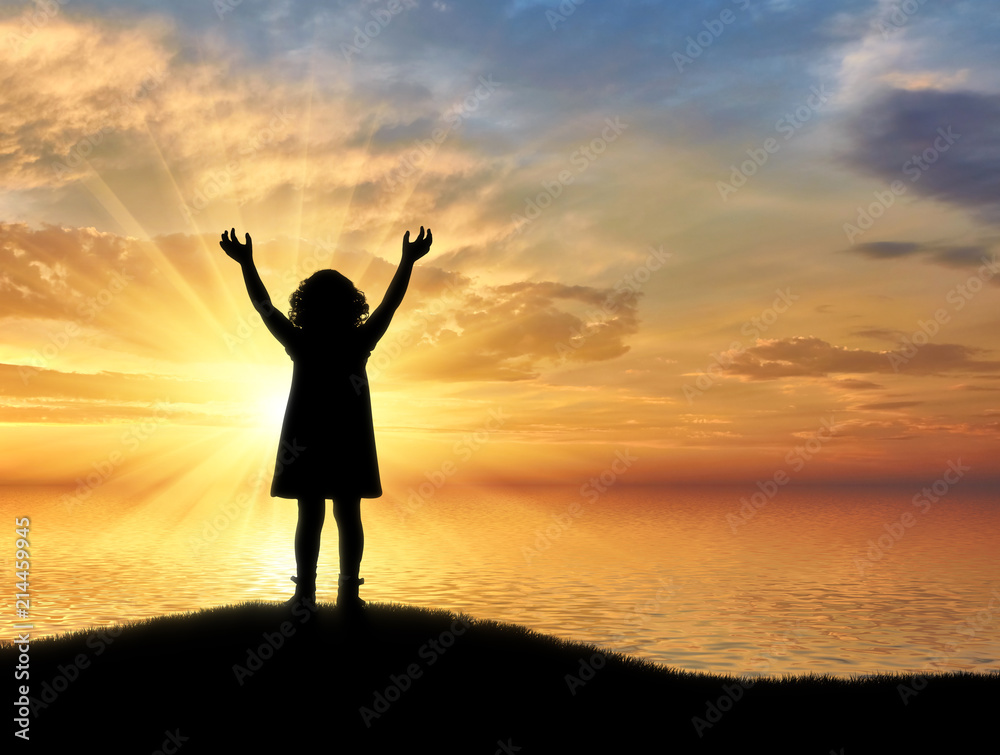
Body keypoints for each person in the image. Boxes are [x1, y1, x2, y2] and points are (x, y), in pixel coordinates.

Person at [219, 226, 433, 611]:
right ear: (351, 305)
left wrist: (247, 263)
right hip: (348, 438)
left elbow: (263, 305)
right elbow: (390, 303)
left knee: (311, 512)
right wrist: (407, 261)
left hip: (308, 436)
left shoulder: (302, 342)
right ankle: (347, 594)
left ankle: (306, 595)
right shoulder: (357, 341)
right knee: (347, 512)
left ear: (306, 306)